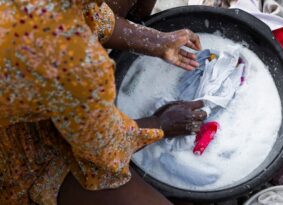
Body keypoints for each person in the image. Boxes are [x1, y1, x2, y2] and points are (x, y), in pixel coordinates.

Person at [0, 0, 206, 204]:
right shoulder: (76, 62)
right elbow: (105, 152)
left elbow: (86, 15)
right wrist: (161, 124)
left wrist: (157, 41)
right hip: (15, 148)